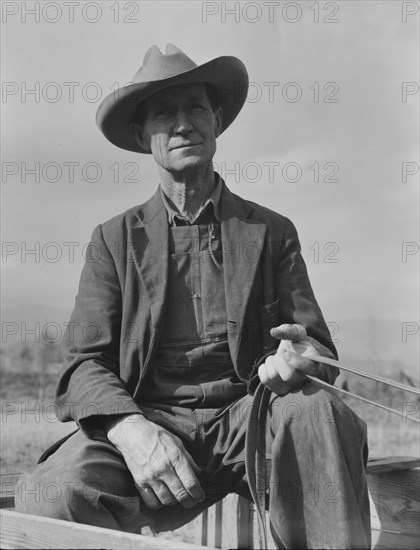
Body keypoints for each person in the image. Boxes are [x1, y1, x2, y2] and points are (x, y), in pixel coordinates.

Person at [16, 44, 371, 549]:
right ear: (144, 136)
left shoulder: (271, 231)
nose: (183, 124)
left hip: (252, 417)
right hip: (152, 420)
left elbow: (317, 351)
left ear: (217, 121)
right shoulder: (113, 240)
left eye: (195, 108)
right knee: (50, 493)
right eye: (164, 113)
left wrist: (303, 360)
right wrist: (131, 430)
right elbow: (83, 366)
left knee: (318, 411)